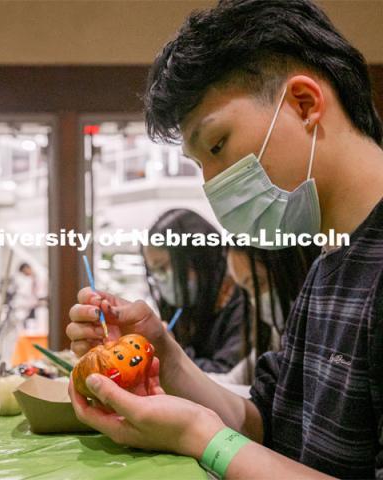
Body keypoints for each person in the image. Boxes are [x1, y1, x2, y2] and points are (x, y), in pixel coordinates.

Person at [67, 1, 383, 478]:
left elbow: (230, 439)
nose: (211, 184)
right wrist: (162, 352)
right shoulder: (330, 259)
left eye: (217, 145)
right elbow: (264, 426)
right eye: (200, 167)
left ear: (304, 103)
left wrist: (199, 436)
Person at [143, 209, 246, 373]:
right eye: (155, 272)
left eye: (163, 268)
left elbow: (227, 374)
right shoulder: (183, 304)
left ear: (198, 259)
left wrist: (172, 353)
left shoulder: (244, 302)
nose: (161, 279)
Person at [221, 245, 319, 384]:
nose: (254, 300)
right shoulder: (276, 335)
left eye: (258, 284)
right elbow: (234, 381)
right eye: (247, 291)